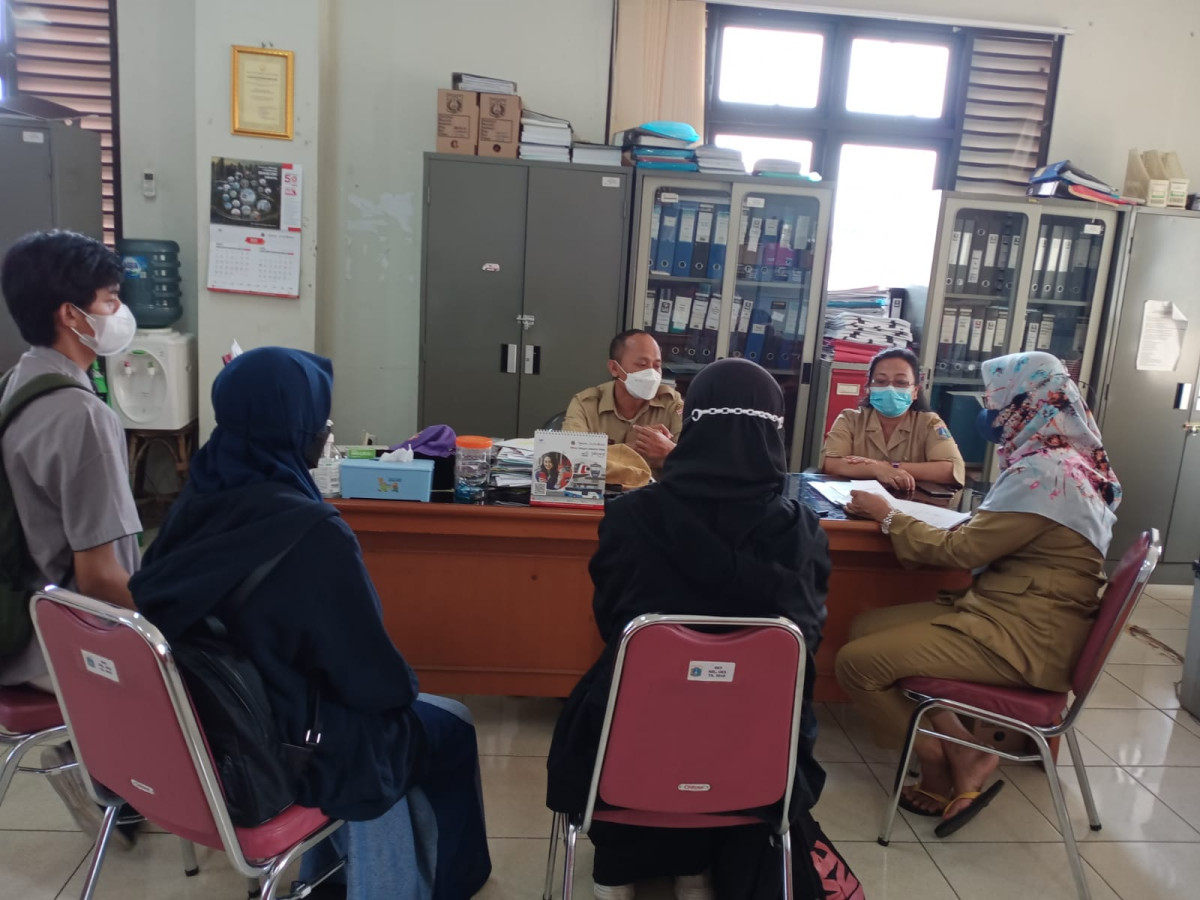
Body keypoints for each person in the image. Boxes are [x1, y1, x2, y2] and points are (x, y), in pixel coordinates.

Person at [130, 347, 491, 900]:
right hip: (285, 743)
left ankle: (331, 879)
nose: (325, 434)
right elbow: (374, 681)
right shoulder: (312, 532)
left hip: (202, 736)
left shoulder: (195, 497)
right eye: (321, 423)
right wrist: (403, 692)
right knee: (437, 729)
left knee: (403, 730)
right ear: (296, 430)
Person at [547, 358, 832, 900]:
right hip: (760, 762)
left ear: (693, 424)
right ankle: (712, 865)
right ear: (773, 430)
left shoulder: (632, 517)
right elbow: (805, 646)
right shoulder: (801, 533)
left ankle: (635, 864)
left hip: (630, 752)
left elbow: (614, 626)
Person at [834, 351, 1120, 838]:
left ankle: (942, 762)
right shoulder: (1062, 459)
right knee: (864, 625)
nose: (989, 414)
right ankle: (966, 750)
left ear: (1027, 403)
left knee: (855, 663)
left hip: (1024, 636)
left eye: (996, 402)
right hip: (1022, 615)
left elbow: (963, 550)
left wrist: (887, 515)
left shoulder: (1044, 473)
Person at [0, 230, 141, 842]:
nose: (117, 313)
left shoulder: (16, 382)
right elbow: (102, 578)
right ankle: (118, 785)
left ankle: (94, 767)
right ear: (70, 314)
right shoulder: (83, 417)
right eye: (110, 300)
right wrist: (161, 638)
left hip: (15, 619)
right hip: (51, 643)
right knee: (214, 663)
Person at [820, 347, 965, 491]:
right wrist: (876, 469)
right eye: (881, 381)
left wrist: (889, 467)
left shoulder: (929, 423)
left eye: (901, 382)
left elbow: (950, 470)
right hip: (856, 500)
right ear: (869, 388)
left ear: (915, 391)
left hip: (911, 506)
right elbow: (832, 464)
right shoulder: (849, 419)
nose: (890, 388)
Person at [563, 329, 684, 476]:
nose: (652, 374)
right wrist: (640, 452)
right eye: (641, 364)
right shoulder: (586, 404)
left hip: (654, 496)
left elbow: (693, 463)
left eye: (657, 366)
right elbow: (573, 459)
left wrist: (668, 452)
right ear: (614, 368)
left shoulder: (671, 403)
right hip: (601, 496)